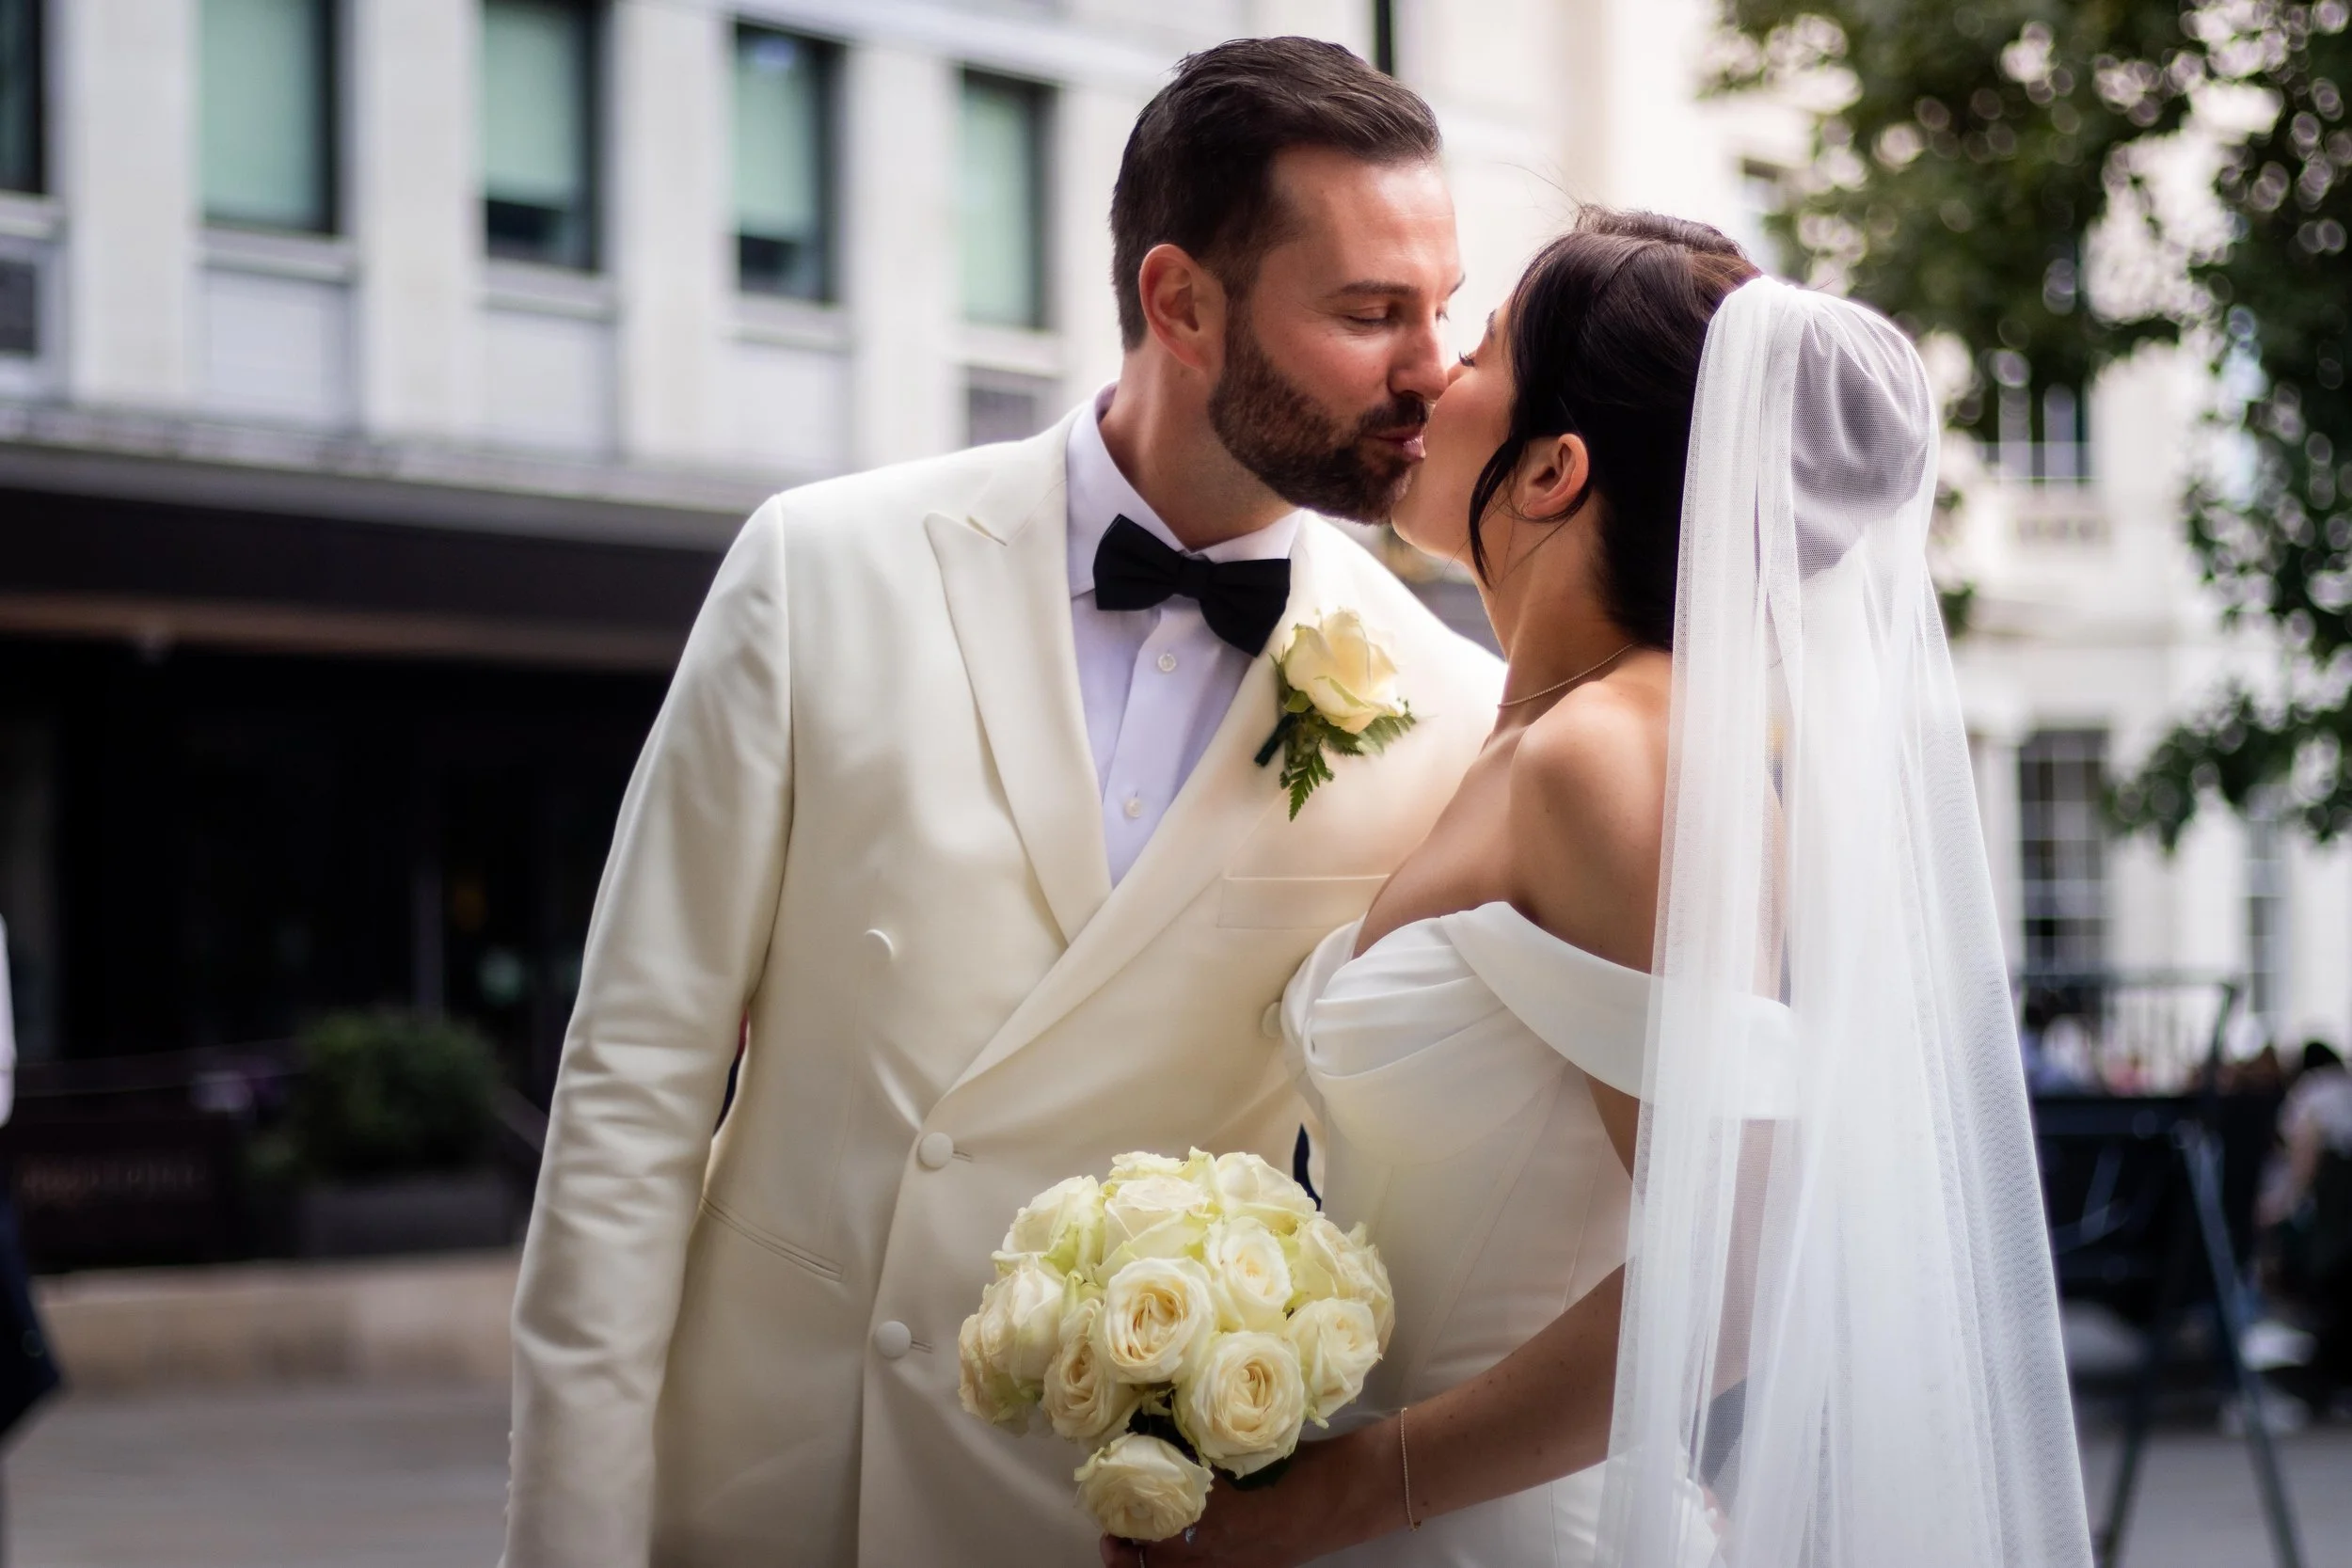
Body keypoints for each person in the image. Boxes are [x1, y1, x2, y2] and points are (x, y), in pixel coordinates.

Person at [501, 39, 1501, 1568]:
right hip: (781, 1487)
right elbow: (632, 1092)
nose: (1428, 366)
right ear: (1180, 304)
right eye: (1371, 313)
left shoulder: (1437, 701)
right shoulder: (817, 568)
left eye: (1443, 310)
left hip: (1100, 1520)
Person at [1115, 213, 2091, 1565]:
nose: (1434, 372)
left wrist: (1355, 1488)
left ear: (1554, 469)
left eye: (1487, 346)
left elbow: (1741, 1257)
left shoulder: (1617, 752)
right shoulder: (1532, 736)